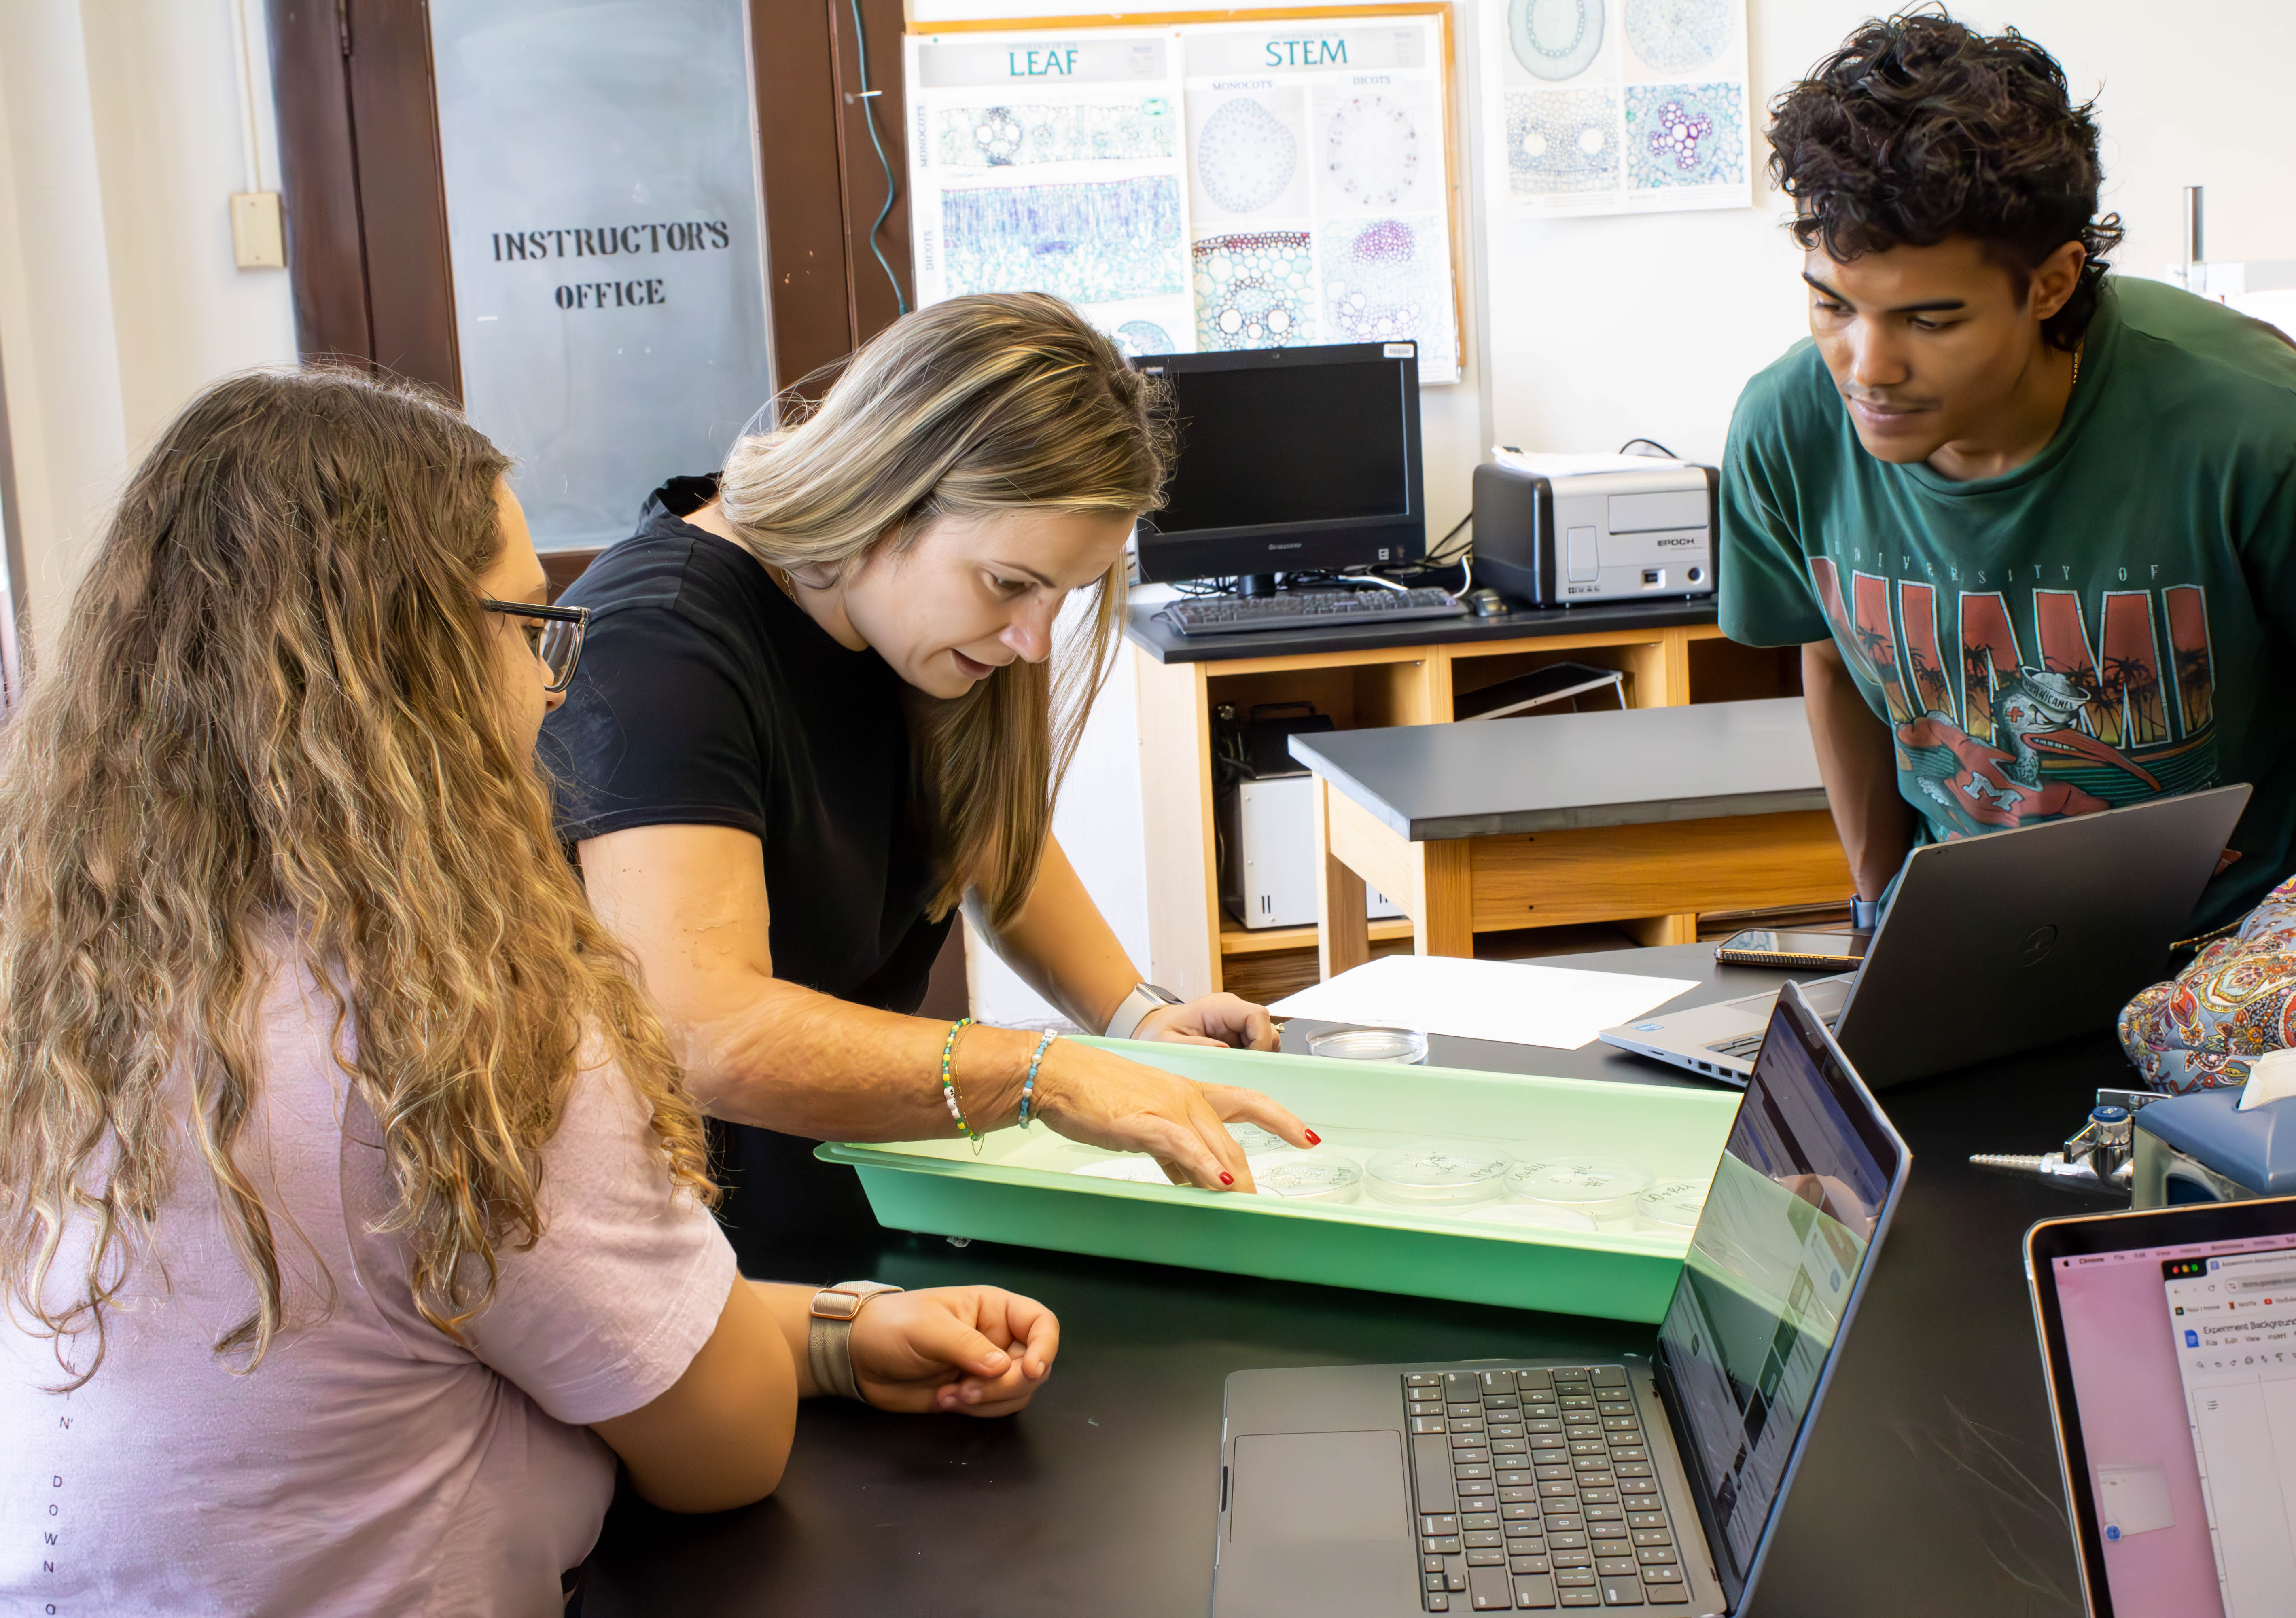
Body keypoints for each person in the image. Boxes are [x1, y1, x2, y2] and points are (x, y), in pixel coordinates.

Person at [0, 371, 1058, 1615]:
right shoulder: (448, 1037)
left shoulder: (75, 976)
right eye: (529, 626)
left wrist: (831, 1331)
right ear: (408, 665)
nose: (553, 682)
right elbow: (723, 1449)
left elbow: (467, 1331)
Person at [548, 292, 1313, 1257]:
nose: (1035, 641)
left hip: (847, 1193)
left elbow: (985, 829)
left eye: (1064, 595)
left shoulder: (908, 619)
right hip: (669, 1247)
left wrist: (1136, 1016)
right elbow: (707, 1029)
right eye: (1010, 584)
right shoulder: (657, 646)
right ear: (886, 489)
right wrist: (1049, 1073)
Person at [1719, 14, 2296, 940]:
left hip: (2226, 947)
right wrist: (1881, 908)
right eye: (1832, 304)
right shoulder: (1786, 427)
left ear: (2051, 285)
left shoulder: (2262, 428)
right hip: (1970, 940)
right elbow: (1833, 657)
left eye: (1930, 321)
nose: (1868, 367)